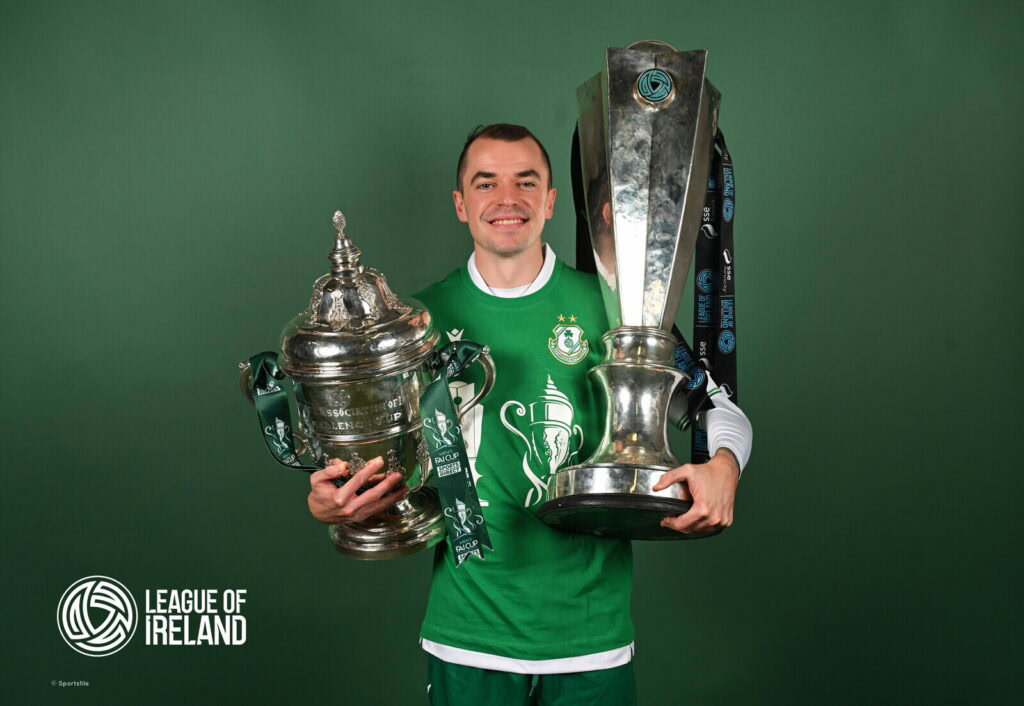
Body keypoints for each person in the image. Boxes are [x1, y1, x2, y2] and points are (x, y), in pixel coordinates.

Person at [307, 124, 753, 705]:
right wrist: (332, 505)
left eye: (526, 181)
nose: (507, 198)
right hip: (468, 638)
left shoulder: (613, 305)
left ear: (549, 200)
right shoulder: (414, 324)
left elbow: (720, 409)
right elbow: (373, 462)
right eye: (485, 182)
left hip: (592, 637)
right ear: (461, 204)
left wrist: (724, 467)